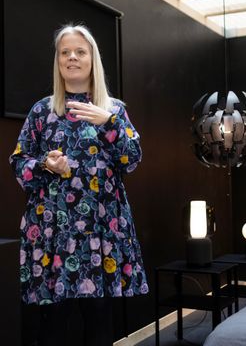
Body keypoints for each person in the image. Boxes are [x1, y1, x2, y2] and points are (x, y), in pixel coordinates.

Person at [9, 24, 149, 346]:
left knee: (99, 322)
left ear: (92, 60)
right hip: (52, 233)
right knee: (52, 327)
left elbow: (132, 161)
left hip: (99, 232)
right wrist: (46, 164)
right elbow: (19, 164)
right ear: (58, 62)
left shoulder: (113, 110)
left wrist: (109, 122)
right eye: (65, 52)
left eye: (80, 51)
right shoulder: (42, 111)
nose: (72, 57)